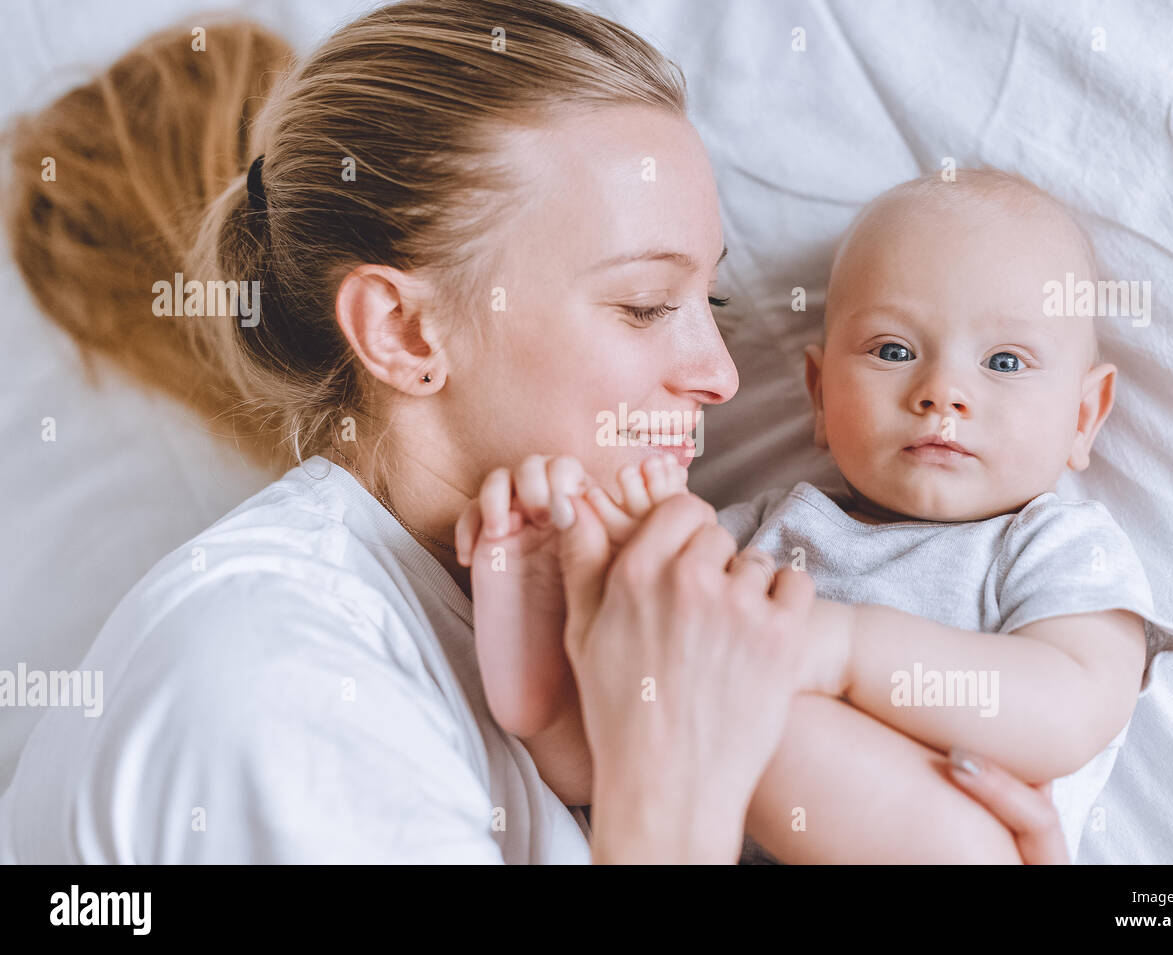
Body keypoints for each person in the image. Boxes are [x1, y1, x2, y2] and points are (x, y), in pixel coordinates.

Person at [1, 0, 1068, 863]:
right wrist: (671, 788)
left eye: (714, 305)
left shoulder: (548, 626)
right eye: (646, 305)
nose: (717, 373)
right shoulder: (271, 687)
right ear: (406, 330)